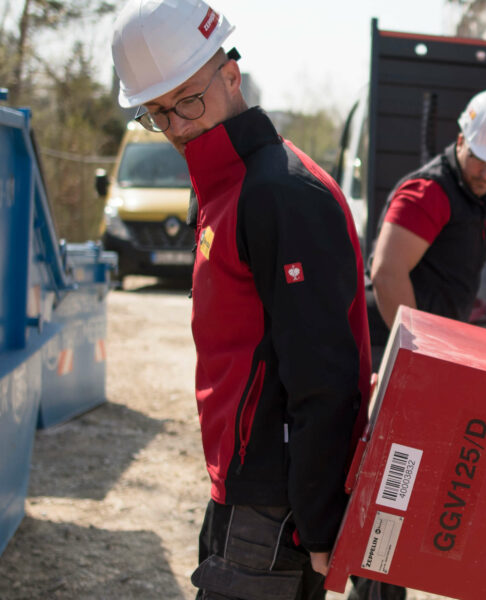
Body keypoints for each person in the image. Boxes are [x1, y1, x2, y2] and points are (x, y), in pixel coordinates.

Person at [110, 1, 372, 598]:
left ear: (230, 75)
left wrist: (321, 520)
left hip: (273, 504)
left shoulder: (279, 194)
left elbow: (324, 373)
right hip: (240, 485)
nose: (176, 126)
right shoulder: (227, 185)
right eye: (157, 113)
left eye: (187, 101)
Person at [366, 89, 486, 362]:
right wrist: (413, 347)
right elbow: (387, 273)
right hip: (386, 344)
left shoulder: (468, 193)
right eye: (479, 160)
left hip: (424, 340)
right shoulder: (428, 193)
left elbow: (475, 234)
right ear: (461, 141)